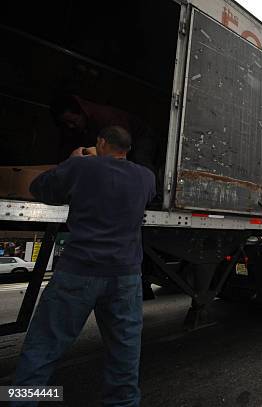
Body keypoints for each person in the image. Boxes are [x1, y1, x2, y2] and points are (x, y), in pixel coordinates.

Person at [11, 126, 156, 407]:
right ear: (127, 149)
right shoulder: (146, 177)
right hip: (125, 277)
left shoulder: (80, 167)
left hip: (78, 271)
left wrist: (73, 159)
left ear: (100, 142)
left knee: (43, 347)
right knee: (124, 353)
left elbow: (40, 187)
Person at [50, 94, 157, 173]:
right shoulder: (81, 128)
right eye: (66, 123)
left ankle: (154, 197)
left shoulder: (105, 118)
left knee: (141, 163)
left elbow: (120, 147)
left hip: (139, 137)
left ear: (81, 113)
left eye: (73, 121)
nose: (70, 126)